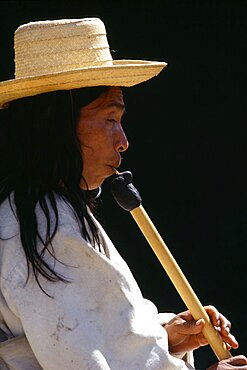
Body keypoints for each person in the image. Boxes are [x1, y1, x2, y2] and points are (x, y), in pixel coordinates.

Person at [0, 17, 246, 370]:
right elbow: (83, 361)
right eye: (109, 119)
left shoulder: (43, 211)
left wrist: (164, 336)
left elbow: (88, 336)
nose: (123, 141)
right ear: (57, 125)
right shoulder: (45, 227)